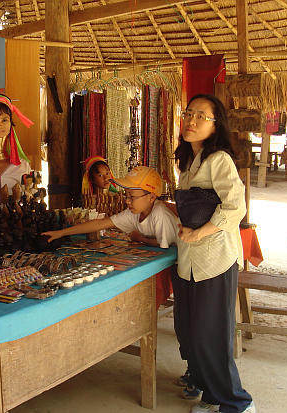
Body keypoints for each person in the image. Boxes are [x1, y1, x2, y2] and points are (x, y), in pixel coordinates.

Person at [173, 94, 255, 413]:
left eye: (201, 116)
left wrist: (198, 232)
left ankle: (238, 404)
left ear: (215, 124)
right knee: (193, 332)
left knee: (214, 336)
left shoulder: (218, 159)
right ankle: (211, 395)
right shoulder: (187, 160)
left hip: (215, 259)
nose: (191, 121)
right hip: (190, 260)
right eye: (188, 114)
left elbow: (235, 206)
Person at [43, 166, 177, 249]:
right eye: (126, 196)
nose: (127, 201)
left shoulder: (159, 213)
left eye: (132, 197)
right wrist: (61, 233)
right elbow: (100, 224)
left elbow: (163, 244)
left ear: (152, 197)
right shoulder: (134, 213)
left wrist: (139, 238)